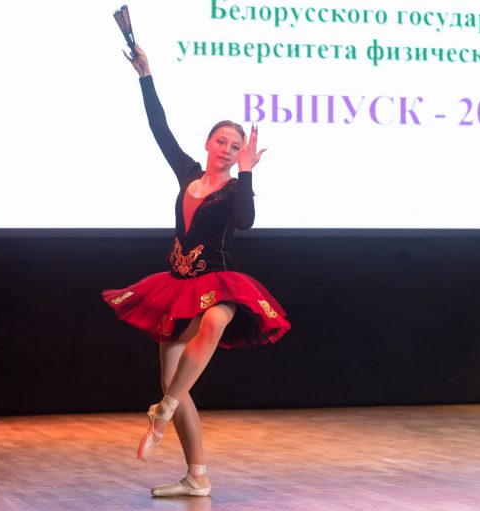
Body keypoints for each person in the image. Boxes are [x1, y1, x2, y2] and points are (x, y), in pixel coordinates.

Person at [102, 45, 291, 498]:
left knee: (212, 323)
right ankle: (197, 476)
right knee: (173, 380)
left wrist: (248, 174)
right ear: (208, 144)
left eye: (236, 146)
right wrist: (146, 76)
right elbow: (159, 128)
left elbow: (246, 221)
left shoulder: (235, 189)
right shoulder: (187, 172)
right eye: (222, 142)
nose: (228, 150)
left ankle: (162, 413)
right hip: (177, 286)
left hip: (221, 284)